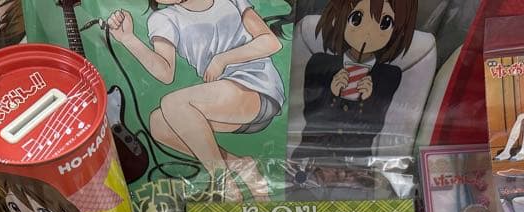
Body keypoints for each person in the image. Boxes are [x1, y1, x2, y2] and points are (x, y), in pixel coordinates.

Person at [106, 0, 290, 200]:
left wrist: (222, 59)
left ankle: (224, 183)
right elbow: (165, 73)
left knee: (174, 104)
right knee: (158, 123)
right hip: (224, 102)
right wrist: (128, 39)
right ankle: (239, 165)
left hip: (257, 87)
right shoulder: (164, 18)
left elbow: (271, 42)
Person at [292, 0, 421, 162]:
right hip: (310, 156)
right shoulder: (319, 63)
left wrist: (369, 101)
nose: (368, 32)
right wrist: (331, 95)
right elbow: (310, 116)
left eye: (385, 23)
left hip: (357, 163)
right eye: (357, 18)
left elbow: (376, 127)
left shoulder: (389, 76)